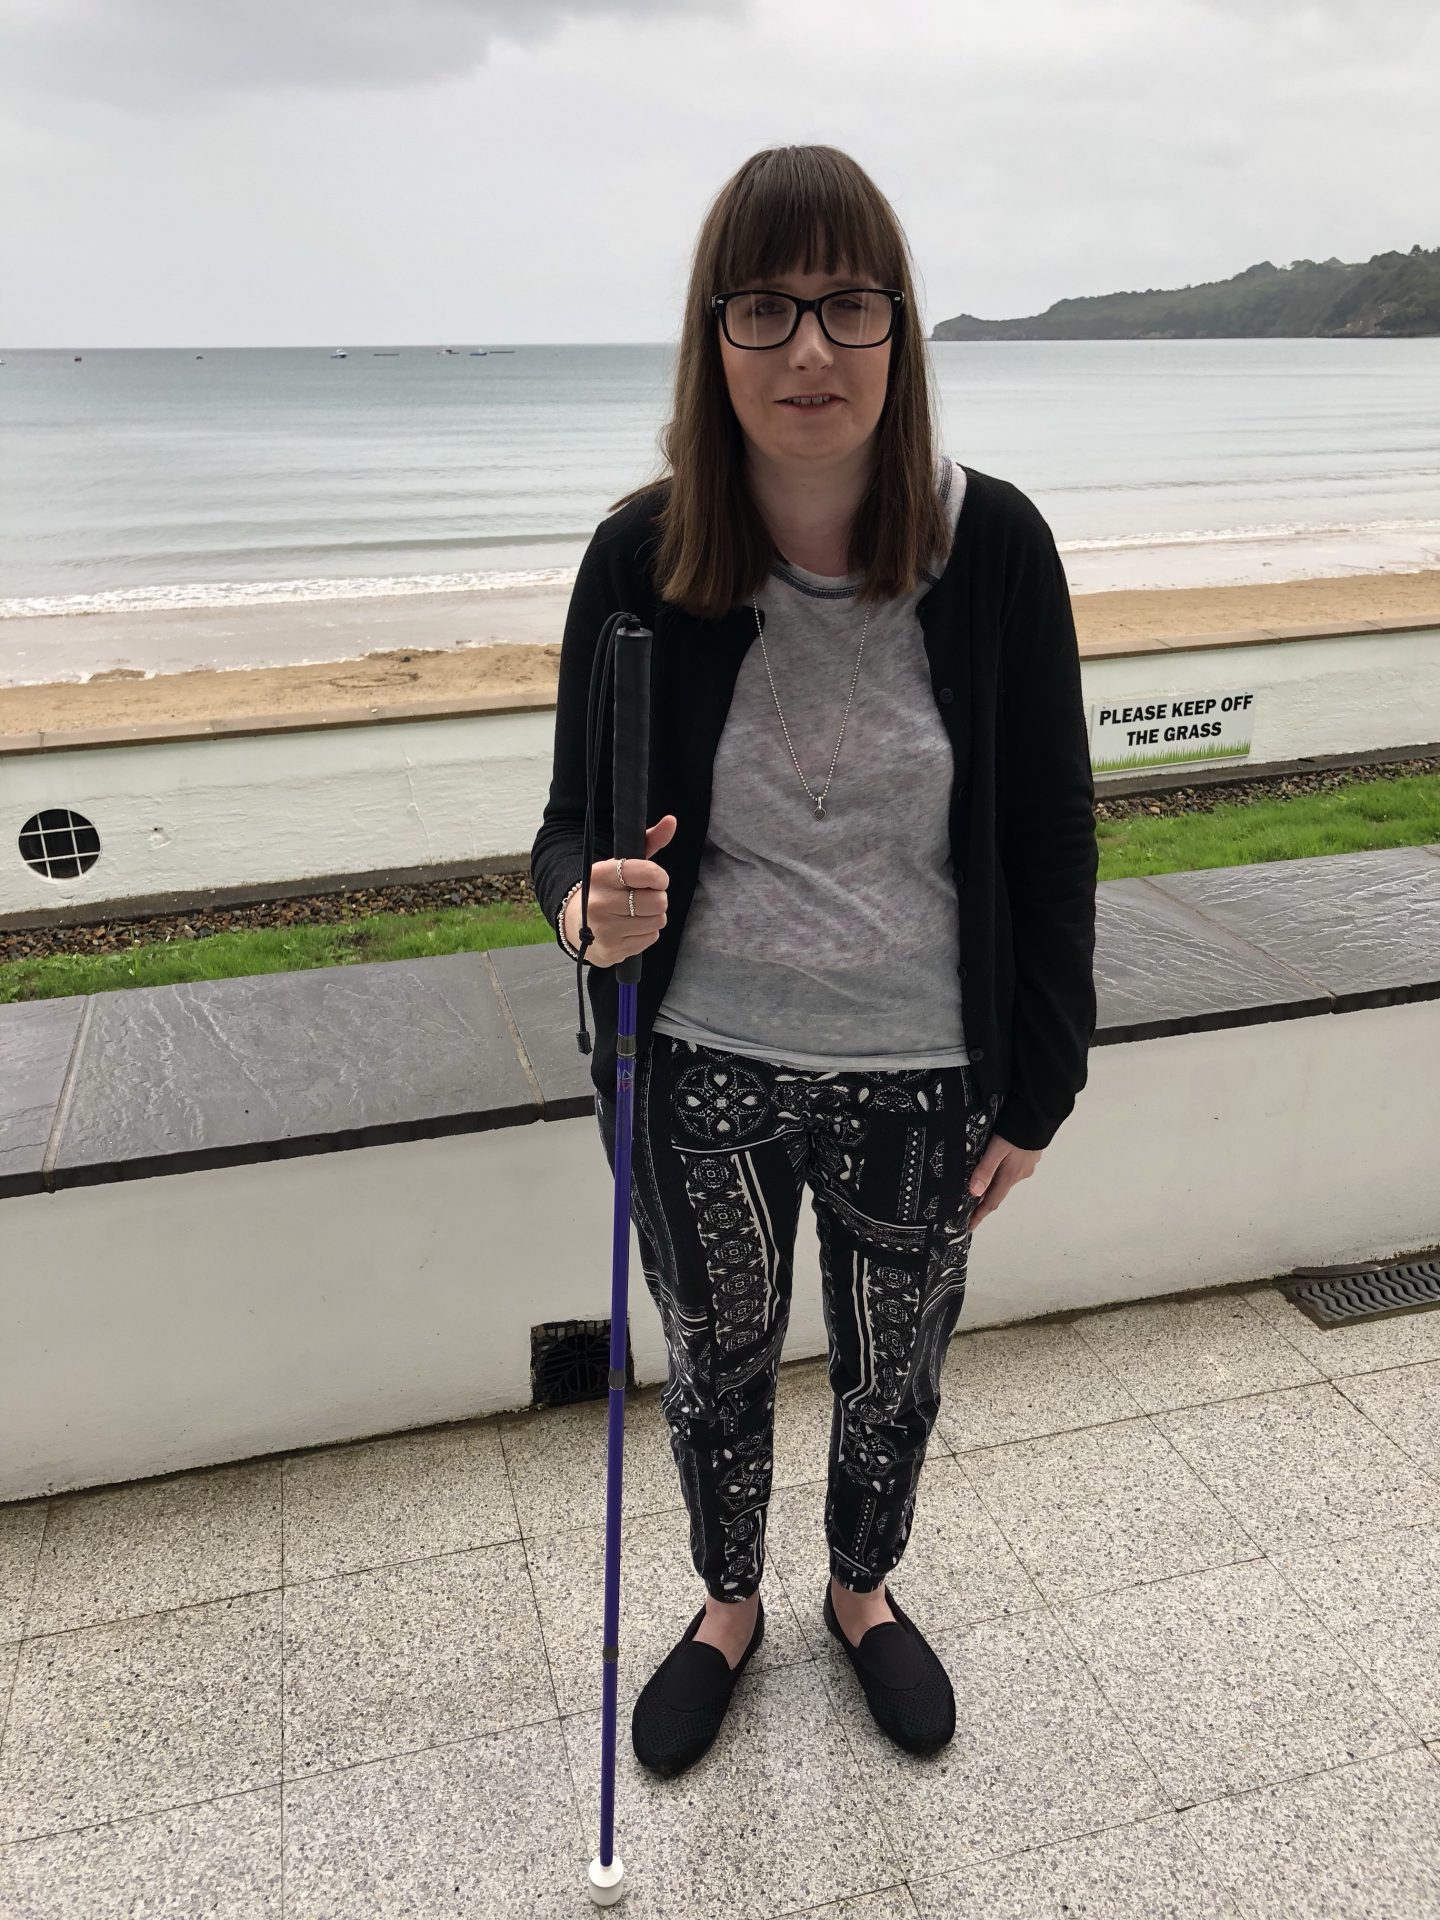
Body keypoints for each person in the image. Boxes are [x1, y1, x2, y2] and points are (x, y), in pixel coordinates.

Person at [530, 144, 1097, 1779]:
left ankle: (859, 1590)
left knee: (892, 1370)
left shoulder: (992, 552)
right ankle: (726, 1605)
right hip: (694, 1061)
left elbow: (1052, 835)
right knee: (715, 1360)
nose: (807, 352)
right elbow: (568, 829)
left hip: (928, 1065)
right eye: (765, 308)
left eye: (850, 306)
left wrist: (1042, 1085)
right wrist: (586, 907)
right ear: (713, 339)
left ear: (902, 331)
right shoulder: (639, 559)